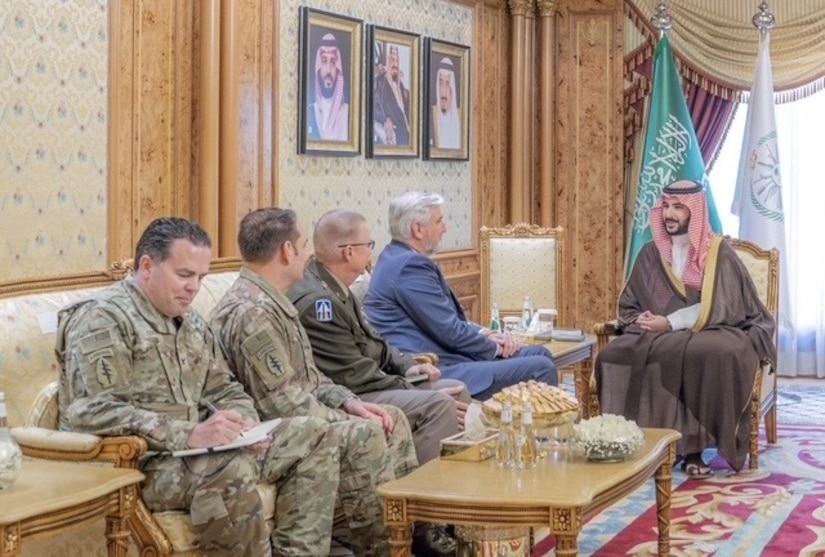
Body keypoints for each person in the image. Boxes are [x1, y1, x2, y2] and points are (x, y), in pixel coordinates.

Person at [56, 217, 339, 557]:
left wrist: (244, 425)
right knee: (225, 469)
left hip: (199, 451)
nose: (194, 288)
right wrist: (189, 434)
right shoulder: (104, 319)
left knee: (317, 435)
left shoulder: (190, 322)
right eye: (184, 275)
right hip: (139, 463)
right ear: (147, 266)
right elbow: (93, 411)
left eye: (201, 277)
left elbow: (224, 388)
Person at [209, 208, 452, 557]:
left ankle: (409, 538)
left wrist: (348, 402)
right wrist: (348, 417)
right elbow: (283, 402)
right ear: (287, 251)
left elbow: (308, 376)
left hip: (300, 414)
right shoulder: (254, 313)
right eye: (304, 244)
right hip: (274, 429)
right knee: (368, 431)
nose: (309, 253)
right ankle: (380, 547)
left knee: (390, 417)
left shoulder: (273, 301)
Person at [595, 180, 776, 476]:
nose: (669, 214)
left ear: (695, 212)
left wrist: (670, 323)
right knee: (612, 355)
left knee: (713, 352)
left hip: (711, 329)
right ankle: (629, 442)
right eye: (665, 206)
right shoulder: (652, 253)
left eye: (678, 207)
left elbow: (723, 304)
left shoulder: (717, 253)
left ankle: (692, 449)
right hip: (658, 334)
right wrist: (643, 319)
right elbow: (631, 304)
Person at [289, 208, 472, 464]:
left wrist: (408, 366)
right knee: (439, 405)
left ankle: (459, 484)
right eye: (369, 245)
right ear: (349, 252)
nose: (371, 252)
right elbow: (354, 374)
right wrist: (411, 388)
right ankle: (415, 492)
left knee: (457, 391)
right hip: (351, 393)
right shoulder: (319, 303)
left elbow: (375, 341)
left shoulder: (335, 285)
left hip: (374, 382)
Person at [364, 191, 558, 400]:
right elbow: (449, 331)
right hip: (435, 366)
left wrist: (487, 334)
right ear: (418, 229)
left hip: (447, 354)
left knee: (538, 353)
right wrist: (495, 348)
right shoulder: (409, 266)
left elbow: (448, 321)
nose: (445, 228)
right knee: (541, 367)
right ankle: (536, 431)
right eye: (439, 221)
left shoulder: (396, 256)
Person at [307, 32, 349, 141]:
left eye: (333, 62)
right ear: (318, 67)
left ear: (338, 69)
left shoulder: (347, 113)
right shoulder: (310, 111)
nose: (329, 70)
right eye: (324, 61)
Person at [373, 44, 411, 146]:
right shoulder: (380, 81)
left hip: (405, 136)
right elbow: (375, 106)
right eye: (392, 60)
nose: (395, 64)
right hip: (393, 135)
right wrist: (385, 119)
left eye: (396, 61)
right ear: (388, 62)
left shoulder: (402, 87)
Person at [431, 57, 461, 149]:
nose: (443, 90)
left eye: (447, 83)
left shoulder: (461, 118)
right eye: (441, 83)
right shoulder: (432, 115)